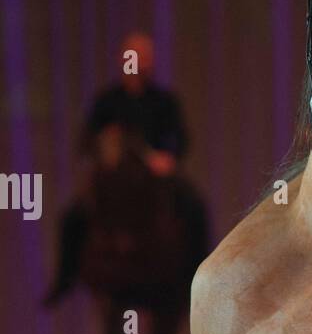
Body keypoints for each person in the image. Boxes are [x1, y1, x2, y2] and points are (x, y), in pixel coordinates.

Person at [44, 31, 206, 306]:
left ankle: (197, 280)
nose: (140, 62)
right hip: (113, 181)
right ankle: (65, 278)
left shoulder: (163, 101)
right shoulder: (107, 101)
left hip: (155, 180)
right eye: (134, 55)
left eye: (145, 57)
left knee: (195, 208)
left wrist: (167, 158)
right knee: (72, 216)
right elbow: (86, 142)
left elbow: (179, 139)